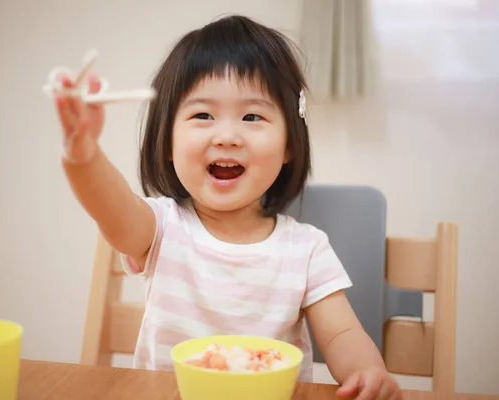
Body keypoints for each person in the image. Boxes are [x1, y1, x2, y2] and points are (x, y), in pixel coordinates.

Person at [52, 14, 402, 400]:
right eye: (203, 115)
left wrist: (367, 371)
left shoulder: (306, 249)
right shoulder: (162, 228)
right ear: (167, 141)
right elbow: (111, 209)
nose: (227, 136)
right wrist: (83, 154)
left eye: (252, 116)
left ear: (289, 144)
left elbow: (342, 334)